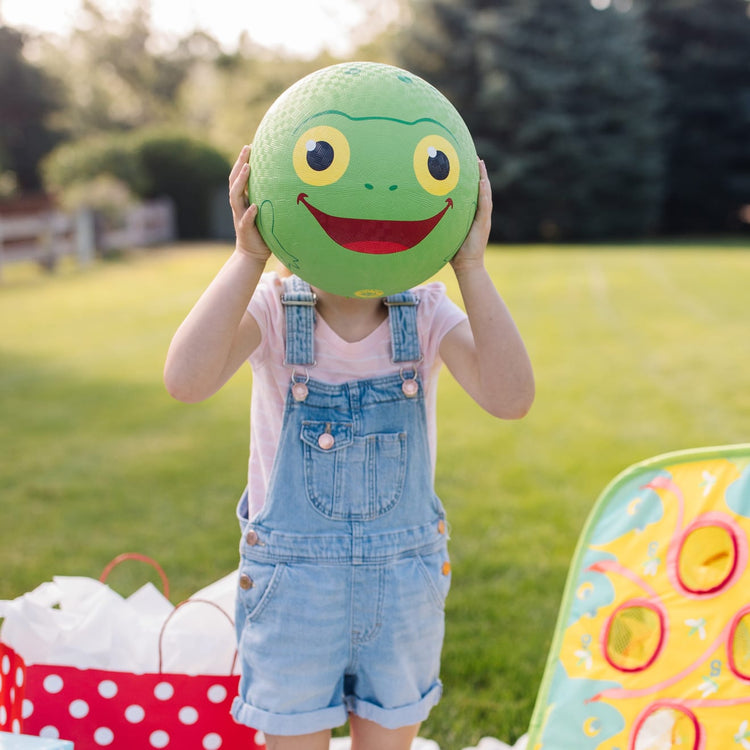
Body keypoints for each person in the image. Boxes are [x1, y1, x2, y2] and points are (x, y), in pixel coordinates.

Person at [164, 144, 535, 750]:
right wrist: (246, 256)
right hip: (293, 589)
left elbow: (512, 396)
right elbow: (186, 380)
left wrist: (472, 268)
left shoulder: (430, 314)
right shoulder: (274, 312)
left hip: (402, 586)